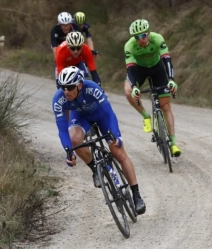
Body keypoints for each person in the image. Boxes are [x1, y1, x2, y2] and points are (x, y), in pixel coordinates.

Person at [52, 66, 146, 215]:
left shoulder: (92, 88)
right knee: (74, 139)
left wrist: (115, 135)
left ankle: (136, 195)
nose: (66, 91)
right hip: (81, 118)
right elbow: (62, 129)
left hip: (101, 116)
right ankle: (95, 170)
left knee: (118, 153)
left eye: (70, 87)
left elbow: (109, 113)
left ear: (80, 85)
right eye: (63, 87)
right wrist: (69, 152)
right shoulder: (58, 99)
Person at [123, 19, 181, 157]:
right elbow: (130, 70)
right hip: (139, 70)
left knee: (165, 106)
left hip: (157, 68)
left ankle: (173, 143)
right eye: (137, 37)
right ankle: (146, 116)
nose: (141, 39)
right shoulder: (129, 46)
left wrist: (171, 80)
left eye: (143, 35)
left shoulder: (157, 39)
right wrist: (135, 87)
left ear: (148, 33)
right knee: (128, 91)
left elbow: (167, 60)